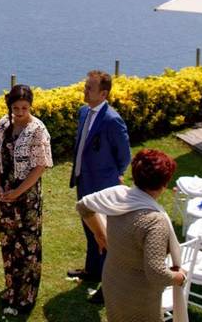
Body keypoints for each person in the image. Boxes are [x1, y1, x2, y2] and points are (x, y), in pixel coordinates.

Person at [76, 149, 188, 322]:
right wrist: (180, 277)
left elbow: (83, 206)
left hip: (112, 280)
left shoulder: (118, 195)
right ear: (164, 184)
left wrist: (100, 234)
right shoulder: (154, 221)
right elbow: (156, 273)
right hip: (138, 296)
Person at [68, 70, 130, 304]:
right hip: (84, 181)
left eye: (89, 88)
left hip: (103, 187)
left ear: (103, 93)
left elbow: (124, 156)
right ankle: (92, 271)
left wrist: (115, 176)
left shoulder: (112, 120)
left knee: (105, 235)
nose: (84, 90)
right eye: (85, 86)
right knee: (90, 231)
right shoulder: (84, 112)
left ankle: (108, 285)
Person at [0, 84, 53, 314]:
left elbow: (40, 167)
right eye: (15, 108)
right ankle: (11, 289)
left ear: (30, 106)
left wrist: (18, 192)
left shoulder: (38, 129)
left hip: (28, 197)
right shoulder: (2, 125)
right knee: (8, 242)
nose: (19, 112)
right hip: (6, 193)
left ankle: (26, 296)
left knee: (28, 245)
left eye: (24, 108)